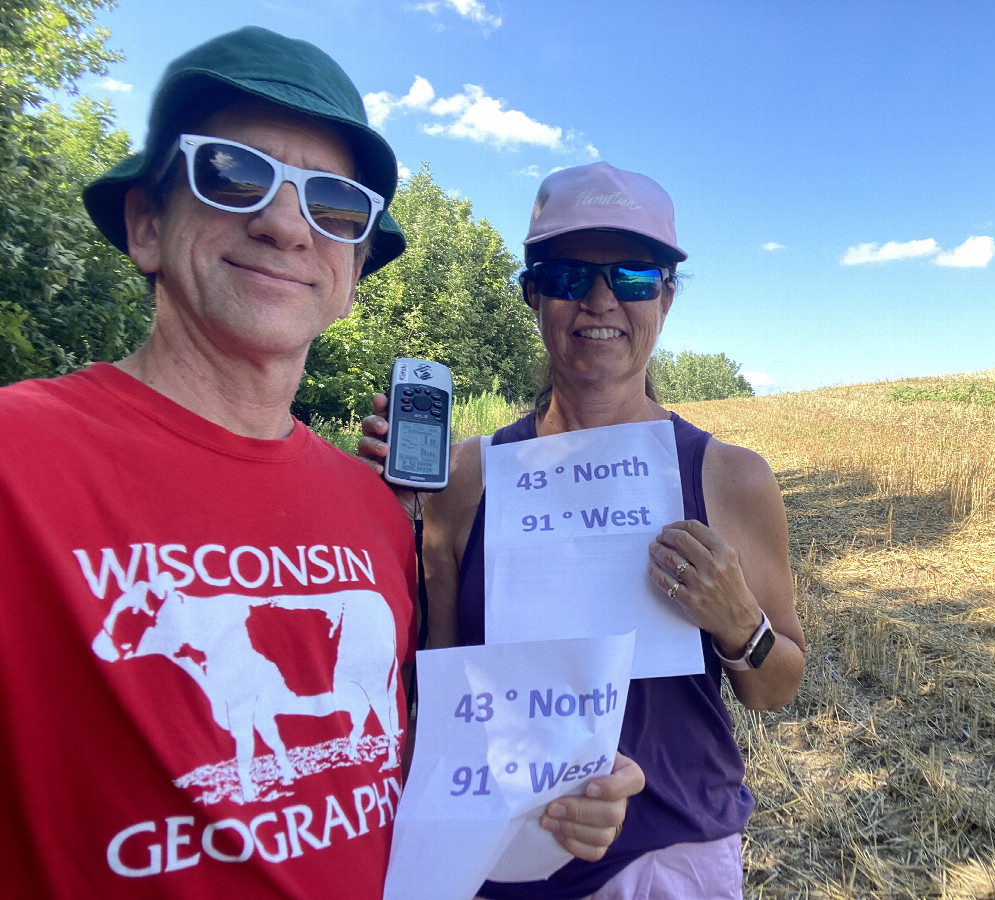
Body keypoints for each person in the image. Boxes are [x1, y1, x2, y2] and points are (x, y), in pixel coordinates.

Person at [0, 27, 640, 899]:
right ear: (146, 225)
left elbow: (392, 765)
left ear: (351, 270)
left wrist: (546, 807)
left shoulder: (374, 506)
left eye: (334, 204)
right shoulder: (19, 460)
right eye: (230, 173)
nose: (284, 224)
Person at [359, 162, 808, 899]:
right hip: (500, 850)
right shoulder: (469, 475)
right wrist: (401, 525)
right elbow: (444, 683)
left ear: (666, 295)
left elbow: (775, 688)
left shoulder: (731, 477)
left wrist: (739, 623)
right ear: (532, 294)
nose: (601, 300)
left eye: (633, 274)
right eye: (570, 275)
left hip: (670, 851)